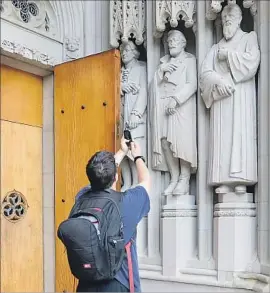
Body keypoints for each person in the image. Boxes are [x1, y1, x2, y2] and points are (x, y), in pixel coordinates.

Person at [75, 136, 151, 292]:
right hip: (118, 283)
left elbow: (98, 178)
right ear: (116, 177)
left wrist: (121, 152)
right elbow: (146, 181)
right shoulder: (127, 203)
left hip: (87, 282)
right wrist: (137, 156)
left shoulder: (82, 197)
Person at [200, 3, 260, 194]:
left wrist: (229, 56)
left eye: (231, 19)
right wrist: (219, 81)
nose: (227, 22)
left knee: (239, 136)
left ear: (240, 19)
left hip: (240, 98)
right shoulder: (216, 47)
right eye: (224, 19)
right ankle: (223, 180)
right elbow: (204, 74)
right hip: (221, 101)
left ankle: (241, 179)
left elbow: (252, 62)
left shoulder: (249, 38)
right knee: (222, 139)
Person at [150, 29, 197, 195]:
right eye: (169, 41)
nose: (172, 43)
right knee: (165, 142)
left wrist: (176, 99)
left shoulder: (190, 60)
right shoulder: (163, 62)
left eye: (176, 40)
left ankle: (184, 179)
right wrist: (162, 71)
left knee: (181, 142)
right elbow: (154, 85)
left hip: (180, 106)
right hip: (163, 104)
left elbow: (192, 84)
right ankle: (174, 177)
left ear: (184, 43)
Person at [119, 40, 147, 191]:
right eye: (123, 50)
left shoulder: (141, 68)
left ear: (135, 53)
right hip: (120, 114)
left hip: (134, 114)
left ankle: (137, 182)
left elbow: (144, 91)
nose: (124, 53)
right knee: (122, 146)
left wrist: (137, 113)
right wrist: (121, 87)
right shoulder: (117, 70)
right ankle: (127, 182)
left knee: (134, 147)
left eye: (128, 50)